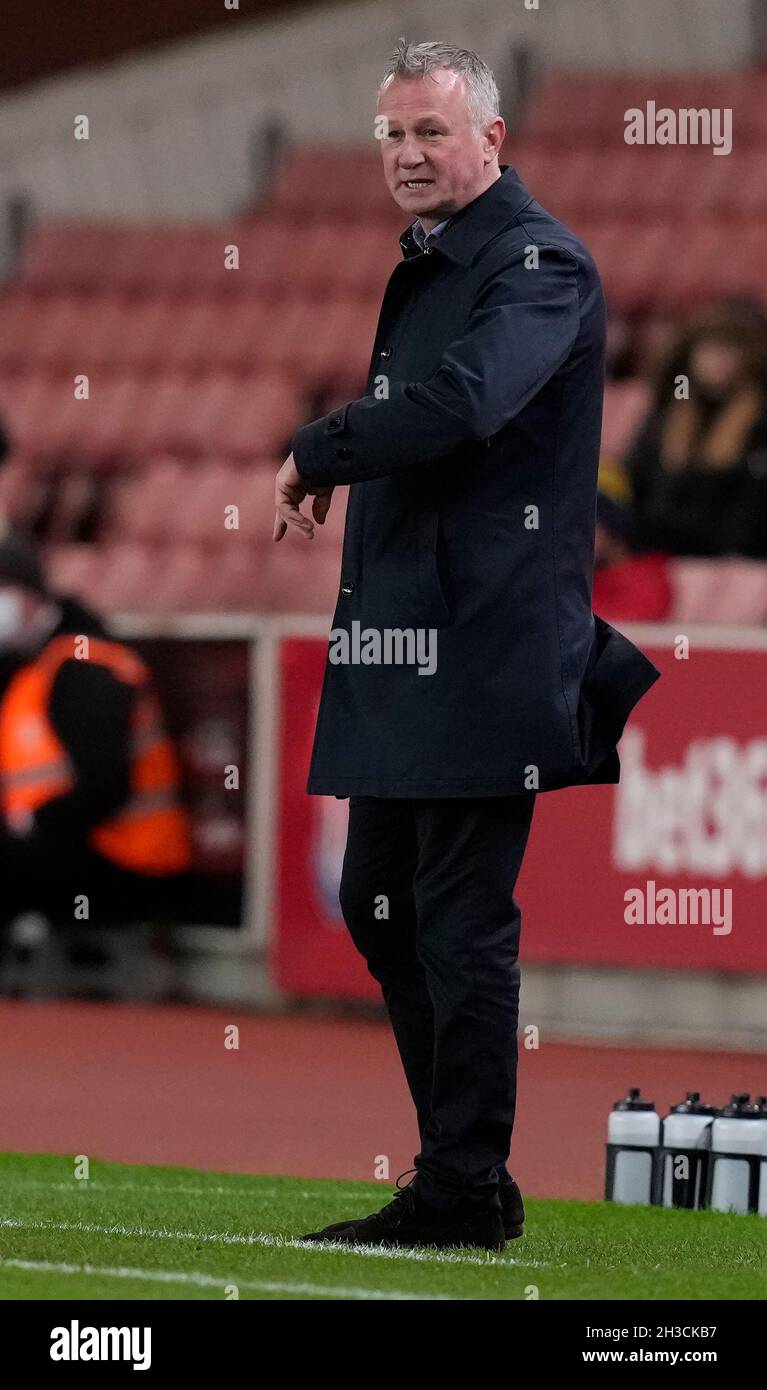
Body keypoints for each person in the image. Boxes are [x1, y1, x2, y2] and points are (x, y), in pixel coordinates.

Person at [273, 40, 660, 1252]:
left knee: (455, 915)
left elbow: (464, 404)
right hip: (406, 641)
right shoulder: (441, 259)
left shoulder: (537, 261)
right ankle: (466, 1176)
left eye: (430, 132)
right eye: (391, 135)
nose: (406, 155)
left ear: (491, 140)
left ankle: (458, 1184)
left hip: (486, 647)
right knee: (379, 905)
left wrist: (318, 448)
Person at [0, 532, 192, 935]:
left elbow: (105, 784)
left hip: (129, 861)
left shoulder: (83, 666)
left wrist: (34, 820)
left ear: (30, 598)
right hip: (83, 849)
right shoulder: (36, 666)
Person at [624, 299, 767, 558]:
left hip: (730, 555)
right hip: (658, 548)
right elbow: (635, 481)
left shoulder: (760, 418)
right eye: (710, 347)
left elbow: (748, 514)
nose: (718, 359)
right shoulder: (670, 408)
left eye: (731, 348)